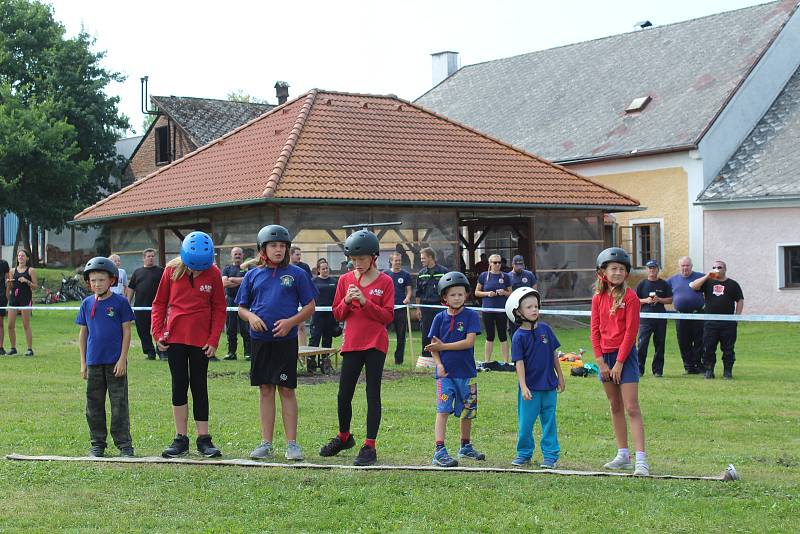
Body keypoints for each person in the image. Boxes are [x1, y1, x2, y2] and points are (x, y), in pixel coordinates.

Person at [237, 225, 317, 461]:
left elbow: (310, 306)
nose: (278, 250)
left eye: (282, 246)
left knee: (286, 389)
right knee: (265, 389)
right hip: (260, 341)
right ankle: (266, 443)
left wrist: (291, 322)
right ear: (263, 249)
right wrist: (251, 317)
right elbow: (241, 308)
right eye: (273, 245)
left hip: (286, 341)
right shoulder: (252, 275)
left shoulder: (297, 274)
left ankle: (292, 444)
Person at [319, 230, 394, 466]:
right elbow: (337, 313)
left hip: (375, 344)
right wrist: (348, 301)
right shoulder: (344, 280)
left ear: (373, 257)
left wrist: (365, 301)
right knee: (344, 395)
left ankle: (369, 445)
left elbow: (387, 316)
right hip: (351, 343)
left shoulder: (385, 281)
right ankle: (344, 436)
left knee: (373, 394)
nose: (357, 264)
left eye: (361, 259)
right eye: (353, 260)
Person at [152, 232, 227, 459]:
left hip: (201, 341)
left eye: (200, 268)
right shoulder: (170, 272)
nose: (196, 272)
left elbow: (219, 308)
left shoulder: (213, 273)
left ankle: (204, 439)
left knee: (199, 386)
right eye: (193, 268)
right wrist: (158, 334)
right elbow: (159, 304)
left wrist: (213, 340)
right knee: (179, 385)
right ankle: (180, 438)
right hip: (174, 338)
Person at [591, 247, 648, 476]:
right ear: (603, 271)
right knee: (615, 406)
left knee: (632, 407)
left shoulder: (631, 297)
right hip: (605, 358)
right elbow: (594, 330)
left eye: (621, 269)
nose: (617, 273)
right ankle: (623, 454)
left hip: (625, 357)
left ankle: (641, 460)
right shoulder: (597, 298)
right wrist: (601, 362)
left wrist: (619, 362)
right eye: (613, 268)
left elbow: (631, 333)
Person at [76, 257, 136, 457]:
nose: (97, 284)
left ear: (111, 280)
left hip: (115, 363)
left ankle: (124, 445)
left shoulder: (120, 302)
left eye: (101, 280)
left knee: (119, 404)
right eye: (93, 280)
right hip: (94, 362)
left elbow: (127, 332)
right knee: (93, 405)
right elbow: (83, 334)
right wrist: (83, 362)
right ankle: (98, 444)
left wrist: (122, 359)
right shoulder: (86, 304)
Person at [424, 271, 485, 468]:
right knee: (443, 411)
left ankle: (465, 446)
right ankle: (439, 450)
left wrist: (444, 347)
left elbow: (469, 342)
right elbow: (434, 347)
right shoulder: (439, 318)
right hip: (445, 375)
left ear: (466, 295)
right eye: (452, 294)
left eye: (460, 294)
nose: (457, 298)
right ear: (444, 297)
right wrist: (439, 364)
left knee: (468, 411)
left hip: (467, 373)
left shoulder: (471, 316)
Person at [505, 287, 564, 468]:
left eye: (536, 306)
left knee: (549, 423)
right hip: (530, 389)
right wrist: (523, 386)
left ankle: (550, 456)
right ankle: (524, 454)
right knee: (525, 424)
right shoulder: (518, 337)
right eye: (529, 307)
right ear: (517, 312)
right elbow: (519, 363)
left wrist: (560, 377)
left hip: (549, 387)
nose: (534, 310)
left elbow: (554, 355)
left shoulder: (546, 329)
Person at [689, 260, 744, 380]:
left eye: (719, 267)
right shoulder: (708, 282)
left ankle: (727, 372)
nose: (717, 269)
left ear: (725, 269)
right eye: (714, 267)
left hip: (728, 322)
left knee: (728, 349)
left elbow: (740, 300)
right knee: (708, 348)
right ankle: (709, 371)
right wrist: (707, 276)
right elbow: (693, 286)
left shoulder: (733, 284)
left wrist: (737, 317)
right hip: (710, 322)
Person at [667, 256, 705, 374]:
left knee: (700, 340)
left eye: (687, 265)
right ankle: (688, 367)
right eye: (682, 266)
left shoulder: (700, 277)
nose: (685, 268)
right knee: (683, 341)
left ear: (691, 266)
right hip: (681, 316)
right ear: (679, 267)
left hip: (698, 314)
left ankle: (698, 364)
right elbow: (664, 294)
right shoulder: (672, 280)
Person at [635, 260, 673, 377]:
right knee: (642, 344)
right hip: (645, 319)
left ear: (658, 269)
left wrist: (659, 300)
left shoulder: (664, 284)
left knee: (660, 344)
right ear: (647, 270)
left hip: (660, 318)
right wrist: (646, 300)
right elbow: (635, 300)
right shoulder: (642, 284)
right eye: (650, 268)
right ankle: (639, 370)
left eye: (654, 268)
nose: (652, 270)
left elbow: (670, 299)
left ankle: (658, 371)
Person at [474, 253, 513, 370]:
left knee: (503, 335)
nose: (497, 265)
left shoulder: (505, 276)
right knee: (490, 336)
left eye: (499, 262)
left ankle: (506, 362)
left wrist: (504, 293)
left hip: (501, 310)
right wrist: (487, 294)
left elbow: (511, 293)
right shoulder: (484, 276)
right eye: (495, 262)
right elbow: (476, 292)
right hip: (487, 310)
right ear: (490, 263)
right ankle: (487, 361)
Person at [126, 248, 165, 361]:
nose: (151, 258)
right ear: (143, 258)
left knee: (160, 329)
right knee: (142, 330)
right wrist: (127, 303)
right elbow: (131, 288)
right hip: (140, 307)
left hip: (158, 307)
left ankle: (162, 351)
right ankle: (150, 352)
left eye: (152, 256)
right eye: (148, 256)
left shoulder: (161, 271)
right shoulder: (137, 272)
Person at [414, 247, 447, 368]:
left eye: (423, 258)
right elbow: (418, 292)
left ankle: (443, 354)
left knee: (441, 331)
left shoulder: (444, 272)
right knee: (426, 332)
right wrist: (418, 309)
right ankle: (426, 357)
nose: (422, 260)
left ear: (430, 257)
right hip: (425, 308)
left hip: (440, 306)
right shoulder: (421, 274)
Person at [308, 258, 338, 372]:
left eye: (327, 268)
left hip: (330, 315)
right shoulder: (313, 281)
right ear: (319, 270)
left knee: (327, 339)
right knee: (315, 338)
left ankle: (325, 361)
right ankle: (311, 361)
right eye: (323, 268)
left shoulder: (334, 281)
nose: (325, 270)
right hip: (317, 315)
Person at [221, 247, 251, 361]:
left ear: (242, 255)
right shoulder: (227, 268)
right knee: (231, 328)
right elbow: (224, 283)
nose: (237, 256)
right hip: (230, 301)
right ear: (231, 256)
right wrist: (241, 281)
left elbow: (248, 281)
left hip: (244, 301)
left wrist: (232, 279)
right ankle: (231, 353)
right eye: (235, 254)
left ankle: (248, 353)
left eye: (239, 254)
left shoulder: (248, 268)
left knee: (245, 329)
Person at [6, 249, 37, 356]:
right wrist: (9, 283)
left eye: (23, 256)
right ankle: (13, 348)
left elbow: (35, 286)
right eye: (19, 256)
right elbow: (11, 287)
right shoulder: (12, 271)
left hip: (25, 298)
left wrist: (27, 281)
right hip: (14, 298)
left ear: (27, 258)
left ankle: (29, 349)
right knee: (10, 325)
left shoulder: (30, 270)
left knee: (25, 325)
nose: (20, 257)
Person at [386, 251, 412, 364]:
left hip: (401, 309)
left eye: (399, 260)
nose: (398, 262)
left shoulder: (406, 275)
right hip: (387, 309)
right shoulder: (385, 274)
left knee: (401, 335)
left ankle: (399, 360)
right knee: (382, 334)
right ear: (391, 261)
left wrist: (407, 298)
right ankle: (380, 357)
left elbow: (409, 291)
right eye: (396, 260)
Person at [507, 254, 538, 338]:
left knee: (530, 328)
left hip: (528, 306)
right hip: (514, 308)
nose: (519, 267)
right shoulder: (508, 276)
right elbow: (507, 293)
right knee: (514, 330)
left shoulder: (529, 275)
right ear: (513, 264)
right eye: (517, 265)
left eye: (521, 265)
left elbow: (534, 290)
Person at [290, 245, 312, 347]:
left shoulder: (304, 267)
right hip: (289, 300)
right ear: (291, 255)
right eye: (297, 254)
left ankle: (303, 352)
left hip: (301, 300)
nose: (299, 257)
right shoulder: (285, 267)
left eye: (300, 254)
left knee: (301, 326)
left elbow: (309, 283)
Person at [0, 256, 9, 354]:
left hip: (1, 297)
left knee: (0, 323)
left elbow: (8, 280)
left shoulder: (4, 264)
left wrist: (7, 295)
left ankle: (0, 348)